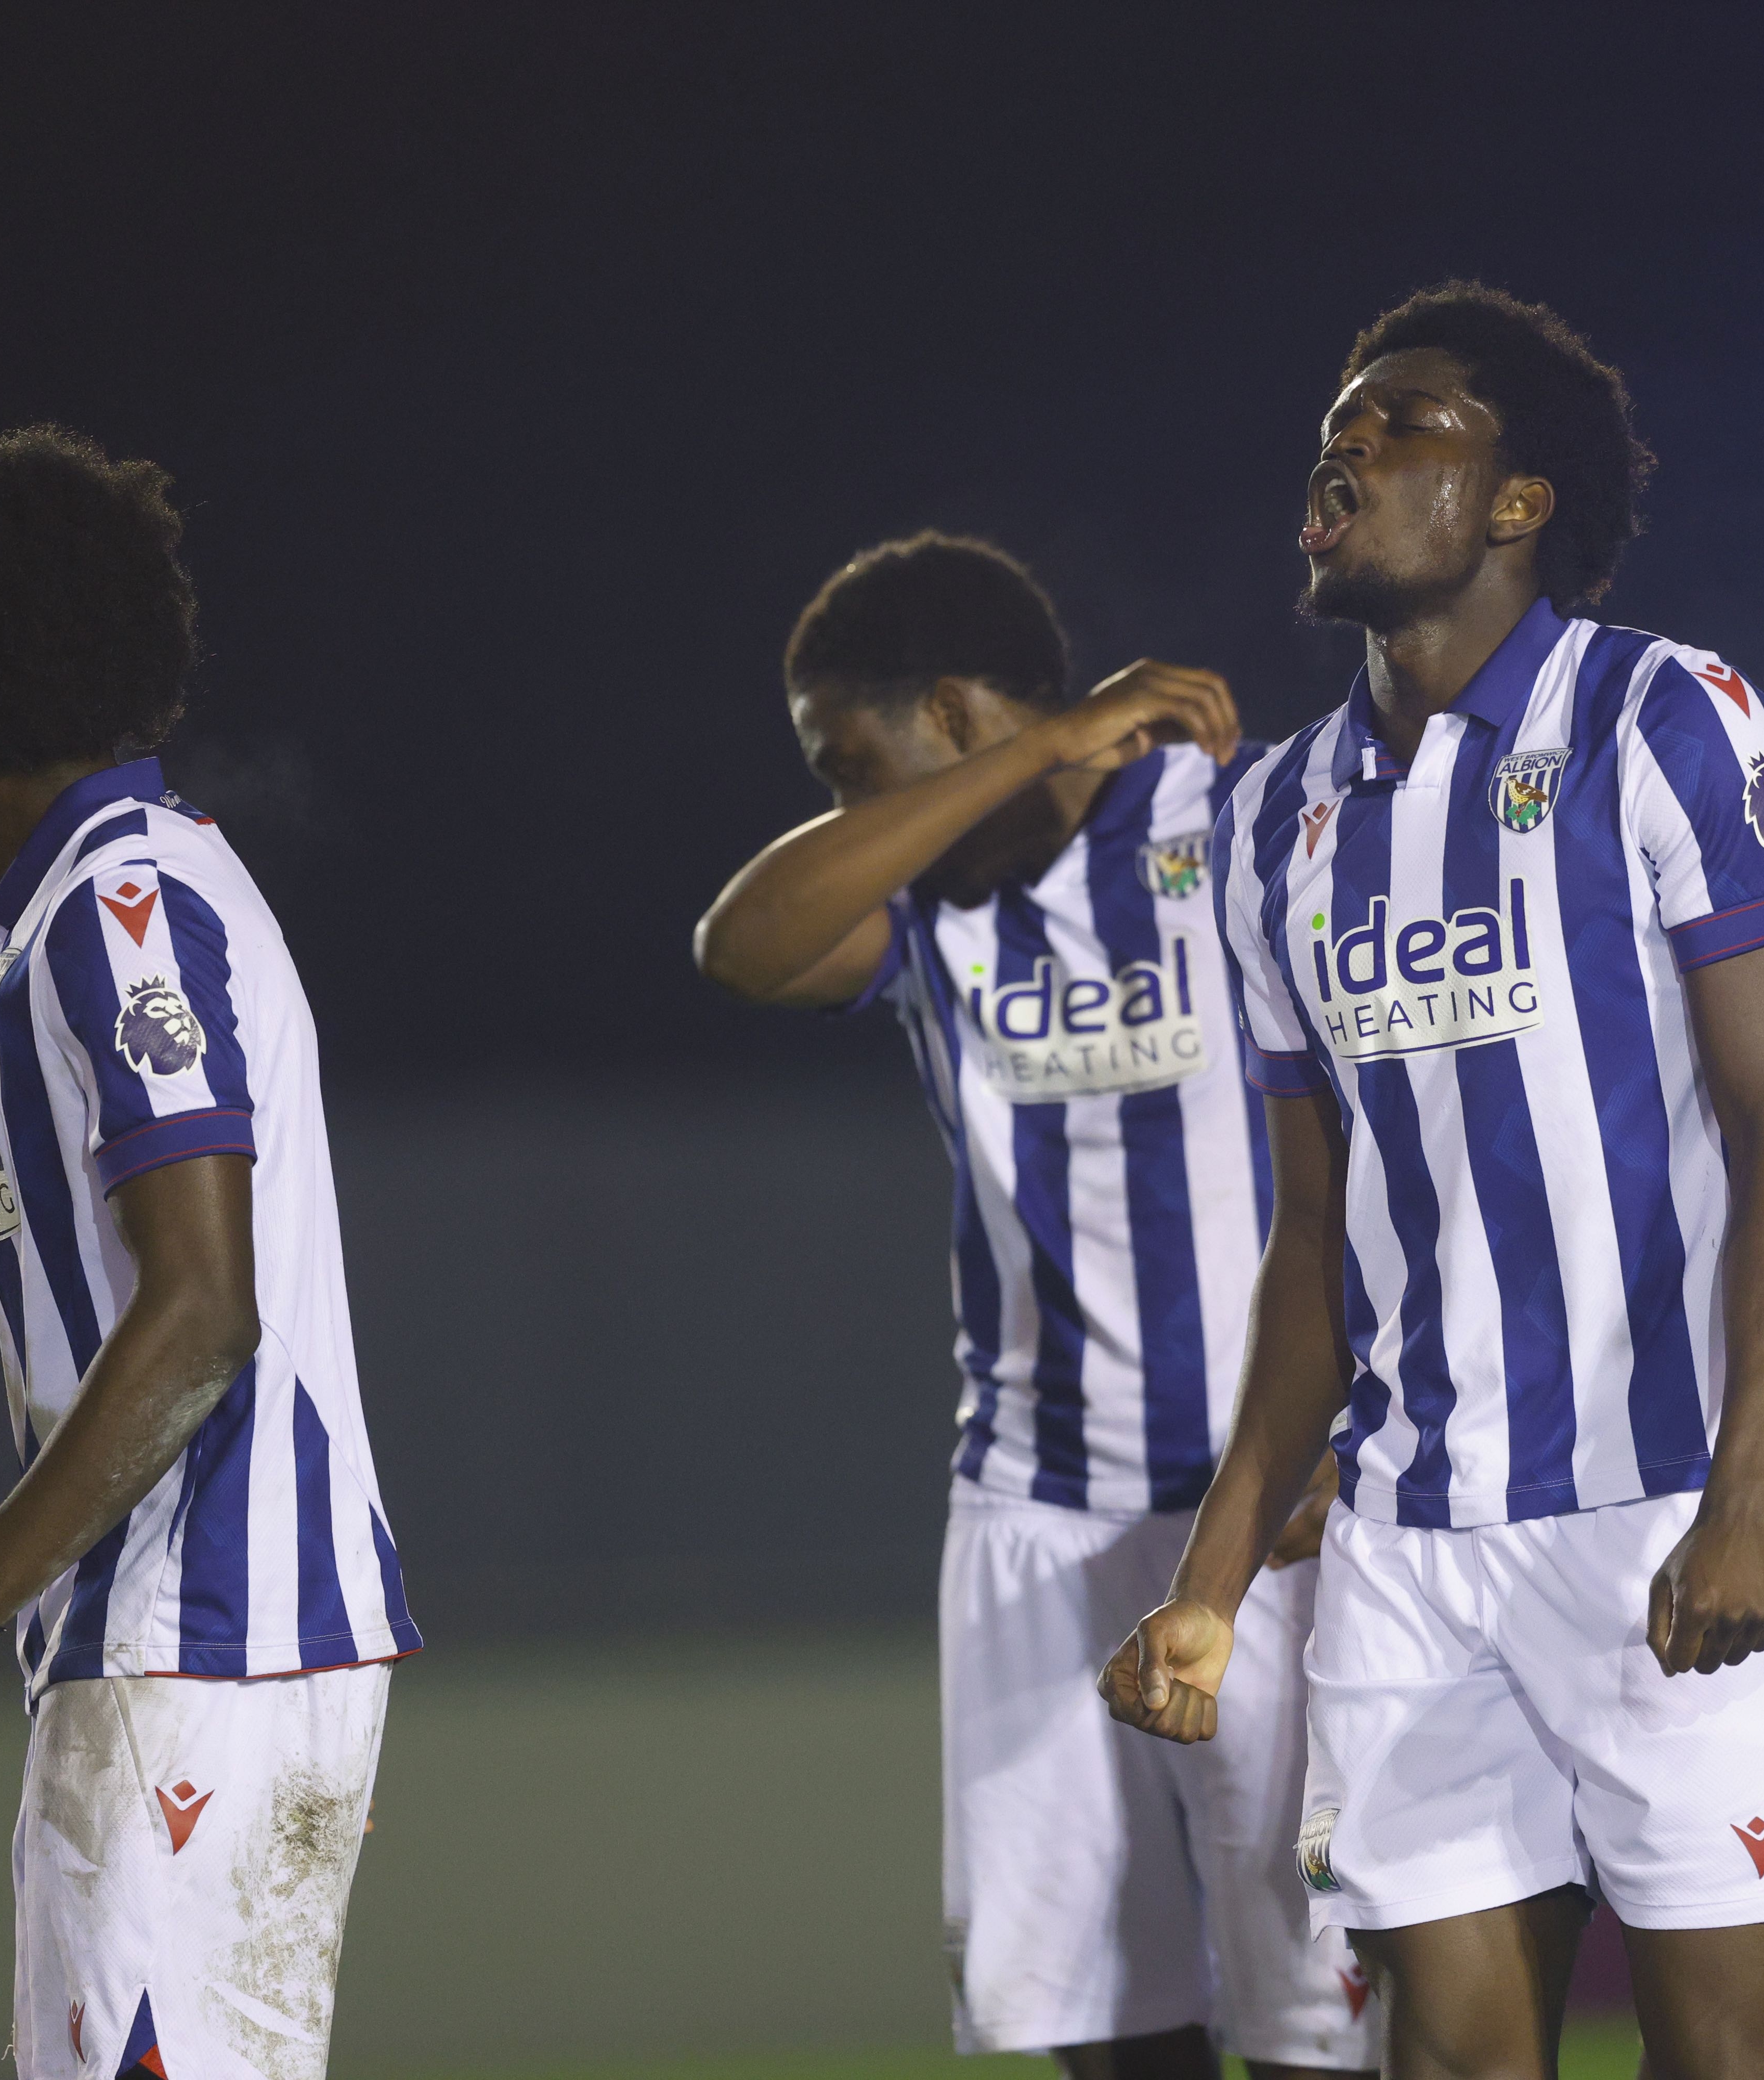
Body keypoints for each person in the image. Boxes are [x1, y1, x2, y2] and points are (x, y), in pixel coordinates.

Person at [1100, 283, 1764, 2080]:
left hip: (1658, 1517)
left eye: (1403, 422)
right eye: (1335, 428)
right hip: (1413, 1546)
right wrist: (1212, 1576)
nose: (1343, 447)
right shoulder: (1275, 817)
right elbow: (1317, 1244)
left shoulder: (1663, 716)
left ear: (1519, 502)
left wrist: (1750, 1494)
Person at [692, 533, 1378, 2080]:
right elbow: (740, 949)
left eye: (852, 764)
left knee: (1320, 2013)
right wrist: (1051, 744)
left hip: (1274, 1505)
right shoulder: (926, 902)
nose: (851, 806)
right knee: (1094, 2014)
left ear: (946, 707)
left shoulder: (1244, 817)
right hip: (1036, 1507)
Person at [0, 428, 418, 2078]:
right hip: (189, 1640)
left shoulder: (117, 906)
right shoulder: (114, 894)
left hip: (203, 1631)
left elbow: (203, 1305)